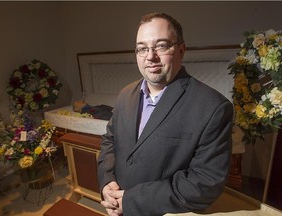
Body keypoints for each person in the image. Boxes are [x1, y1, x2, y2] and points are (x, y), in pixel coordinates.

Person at [98, 12, 233, 216]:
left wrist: (133, 201)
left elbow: (205, 182)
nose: (150, 56)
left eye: (161, 45)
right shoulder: (125, 94)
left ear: (181, 49)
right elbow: (110, 141)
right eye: (142, 48)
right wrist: (107, 181)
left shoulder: (213, 107)